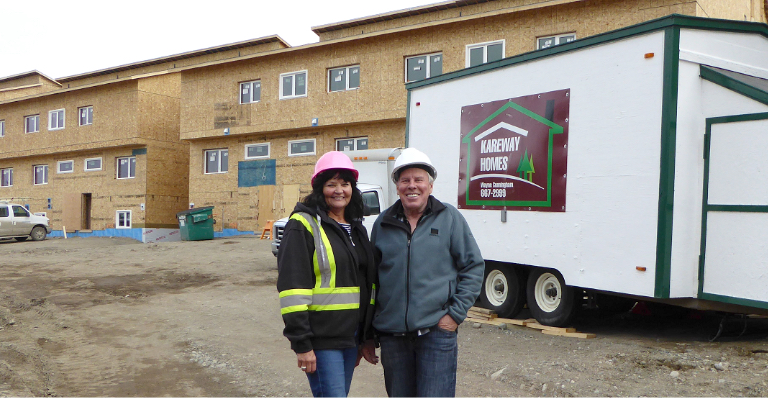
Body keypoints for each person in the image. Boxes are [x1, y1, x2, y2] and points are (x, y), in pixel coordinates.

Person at [365, 147, 485, 397]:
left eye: (419, 180)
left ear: (430, 186)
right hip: (393, 338)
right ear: (397, 186)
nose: (412, 186)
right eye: (405, 180)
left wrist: (454, 315)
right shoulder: (383, 223)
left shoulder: (449, 218)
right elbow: (372, 281)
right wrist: (369, 332)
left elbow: (473, 267)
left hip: (436, 335)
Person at [277, 151, 378, 397]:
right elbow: (292, 288)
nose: (339, 190)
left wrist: (366, 336)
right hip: (322, 338)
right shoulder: (303, 224)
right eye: (331, 184)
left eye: (345, 184)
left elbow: (366, 283)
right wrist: (301, 343)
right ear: (319, 188)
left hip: (350, 336)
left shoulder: (356, 227)